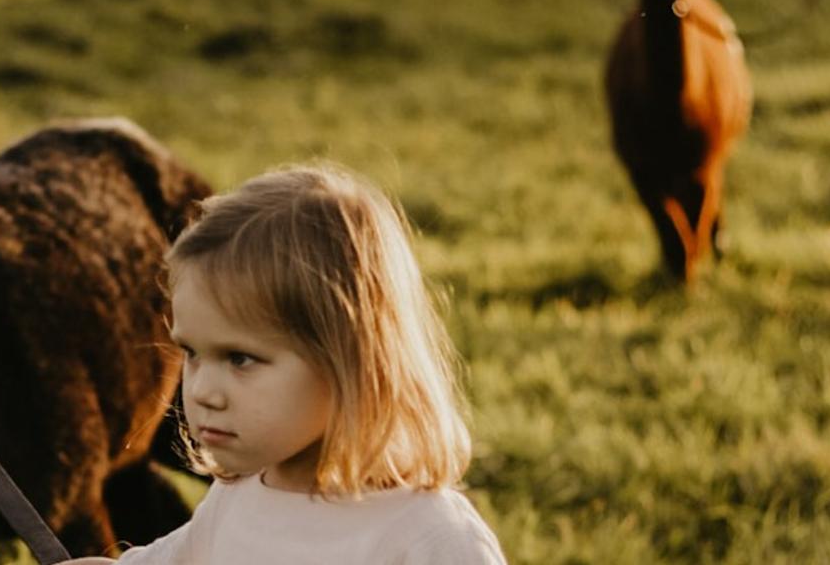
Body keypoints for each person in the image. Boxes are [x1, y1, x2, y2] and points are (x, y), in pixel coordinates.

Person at [63, 166, 505, 564]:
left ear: (347, 359)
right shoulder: (236, 499)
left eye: (240, 359)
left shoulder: (424, 536)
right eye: (193, 354)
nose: (200, 392)